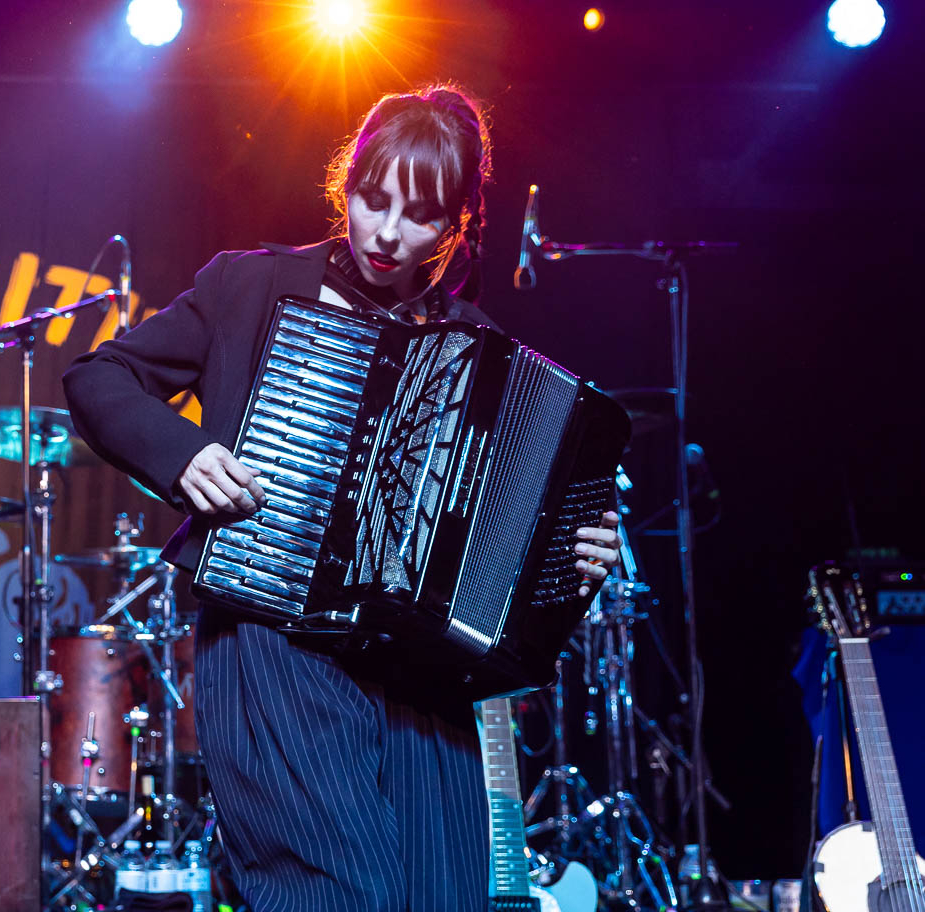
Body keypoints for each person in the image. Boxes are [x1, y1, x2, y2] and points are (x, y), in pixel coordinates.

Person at [63, 86, 622, 912]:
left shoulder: (476, 348)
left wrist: (573, 560)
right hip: (270, 641)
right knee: (335, 894)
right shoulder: (248, 289)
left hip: (422, 679)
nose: (388, 232)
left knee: (445, 898)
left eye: (420, 214)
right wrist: (185, 456)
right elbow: (98, 378)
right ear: (345, 185)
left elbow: (508, 560)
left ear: (458, 223)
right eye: (372, 198)